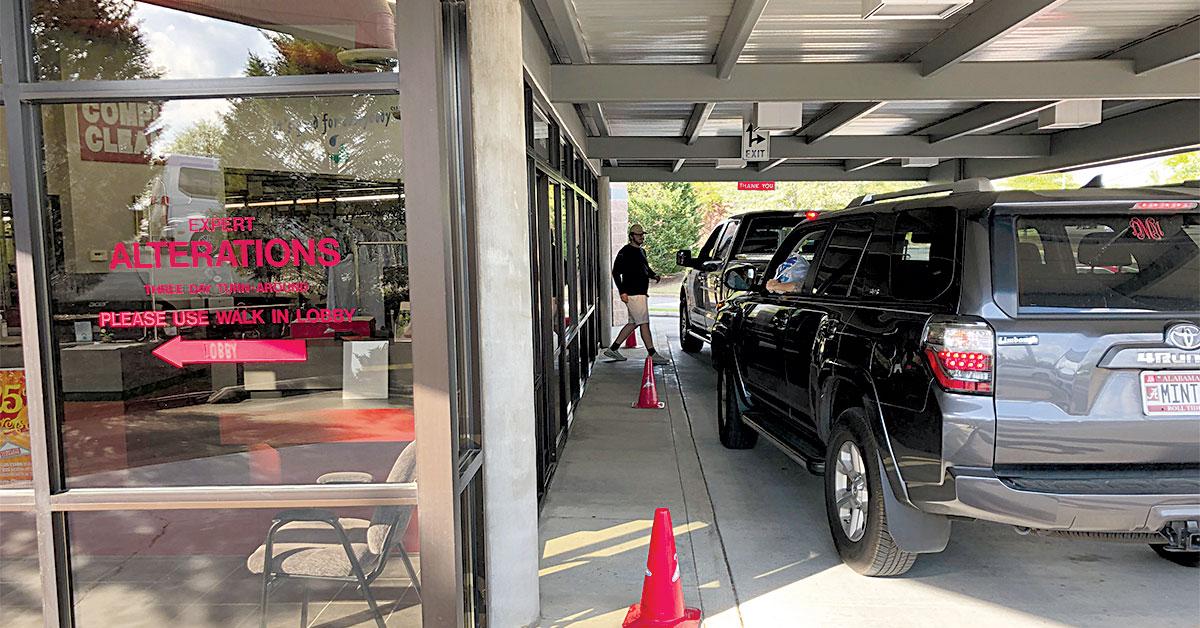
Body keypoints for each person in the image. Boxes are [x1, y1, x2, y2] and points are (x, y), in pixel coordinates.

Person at [604, 224, 669, 364]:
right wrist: (622, 292)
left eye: (642, 235)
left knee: (633, 323)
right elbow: (616, 273)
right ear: (631, 236)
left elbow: (645, 268)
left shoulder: (641, 251)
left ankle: (613, 349)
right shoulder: (625, 252)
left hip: (641, 292)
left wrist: (653, 275)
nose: (641, 237)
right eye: (638, 235)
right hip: (633, 293)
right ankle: (652, 353)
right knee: (644, 323)